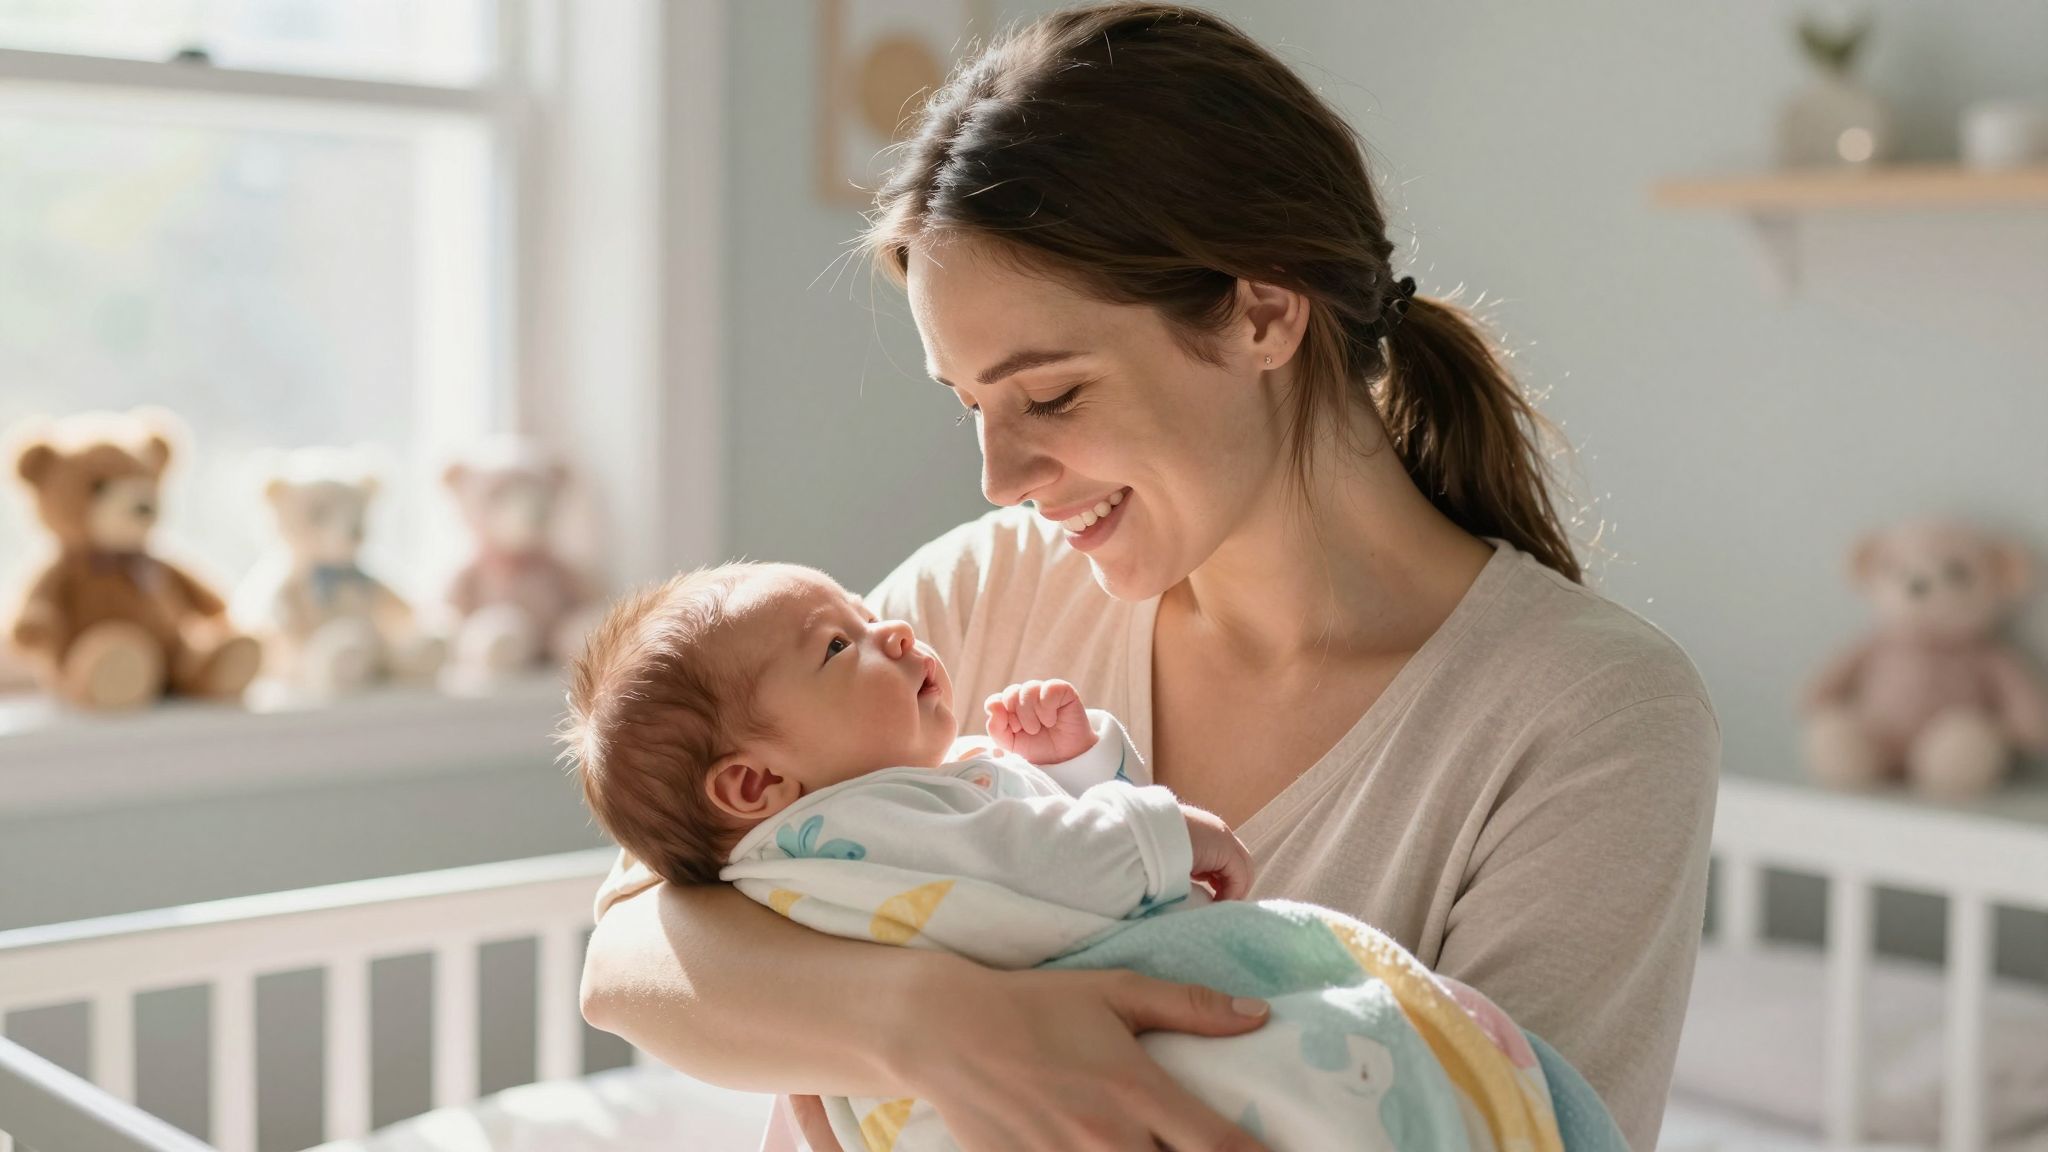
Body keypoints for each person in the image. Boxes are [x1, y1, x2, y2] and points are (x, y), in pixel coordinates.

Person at [579, 5, 1719, 1150]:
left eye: (1052, 395)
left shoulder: (1590, 718)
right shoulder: (972, 599)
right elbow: (629, 952)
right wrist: (939, 1025)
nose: (998, 476)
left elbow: (1521, 1124)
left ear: (1261, 312)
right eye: (970, 403)